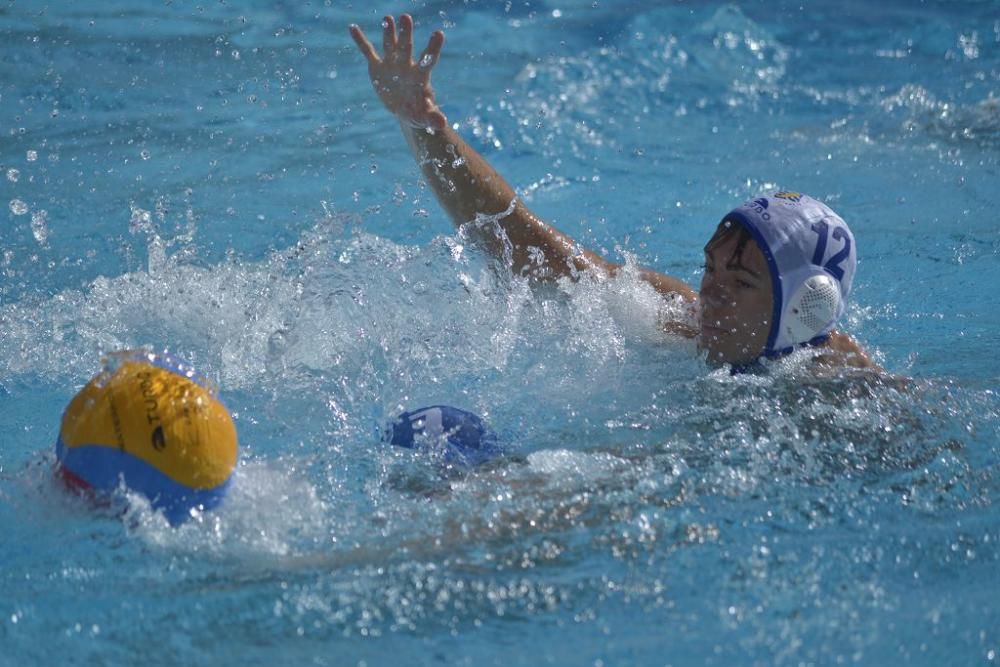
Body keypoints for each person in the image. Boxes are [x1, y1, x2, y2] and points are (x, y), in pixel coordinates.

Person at [349, 14, 874, 371]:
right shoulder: (684, 319)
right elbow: (525, 246)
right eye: (710, 269)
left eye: (739, 281)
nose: (709, 293)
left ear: (804, 307)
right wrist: (423, 129)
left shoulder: (843, 389)